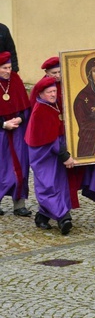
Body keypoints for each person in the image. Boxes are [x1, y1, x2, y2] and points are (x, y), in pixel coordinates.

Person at [25, 77, 76, 234]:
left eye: (54, 91)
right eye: (49, 92)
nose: (53, 94)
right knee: (47, 185)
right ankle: (63, 217)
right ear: (41, 93)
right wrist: (65, 156)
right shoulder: (41, 110)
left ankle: (42, 216)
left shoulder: (52, 105)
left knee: (58, 183)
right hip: (43, 155)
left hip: (54, 152)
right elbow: (52, 140)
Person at [0, 51, 32, 217]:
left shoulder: (16, 80)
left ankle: (19, 204)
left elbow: (24, 107)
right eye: (4, 68)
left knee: (21, 166)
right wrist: (3, 124)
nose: (8, 71)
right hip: (1, 134)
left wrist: (19, 119)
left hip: (17, 133)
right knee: (2, 168)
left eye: (9, 67)